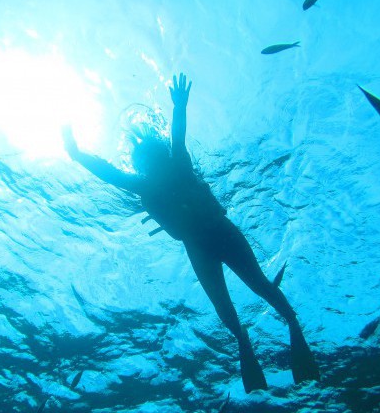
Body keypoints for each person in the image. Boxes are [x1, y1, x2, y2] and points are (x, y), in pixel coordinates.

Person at [62, 73, 319, 393]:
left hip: (212, 237)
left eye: (145, 157)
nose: (146, 162)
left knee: (257, 287)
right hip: (205, 243)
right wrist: (77, 154)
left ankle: (286, 328)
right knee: (232, 303)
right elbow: (112, 172)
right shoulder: (149, 181)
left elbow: (174, 139)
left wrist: (180, 107)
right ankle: (248, 340)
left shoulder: (173, 166)